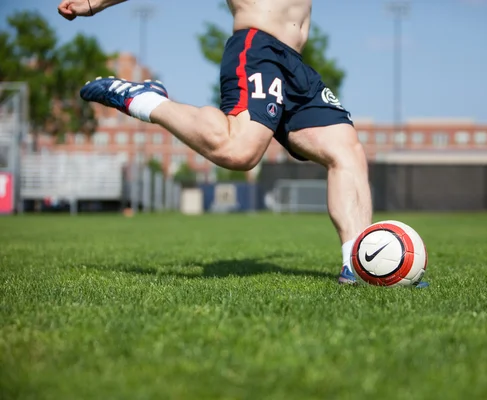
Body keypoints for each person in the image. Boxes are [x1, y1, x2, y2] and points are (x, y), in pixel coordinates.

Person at [57, 0, 372, 285]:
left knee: (347, 150)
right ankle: (147, 102)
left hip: (295, 65)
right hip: (258, 49)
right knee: (239, 151)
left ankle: (360, 263)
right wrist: (94, 3)